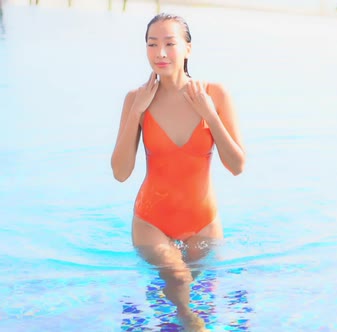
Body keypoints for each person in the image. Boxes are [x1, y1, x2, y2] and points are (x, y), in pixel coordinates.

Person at [110, 12, 246, 331]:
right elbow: (120, 172)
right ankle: (189, 320)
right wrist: (137, 112)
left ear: (188, 49)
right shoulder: (135, 99)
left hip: (203, 224)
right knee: (178, 279)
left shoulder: (215, 95)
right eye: (152, 44)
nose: (160, 53)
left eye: (169, 44)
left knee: (196, 293)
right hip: (151, 222)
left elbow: (237, 166)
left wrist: (210, 116)